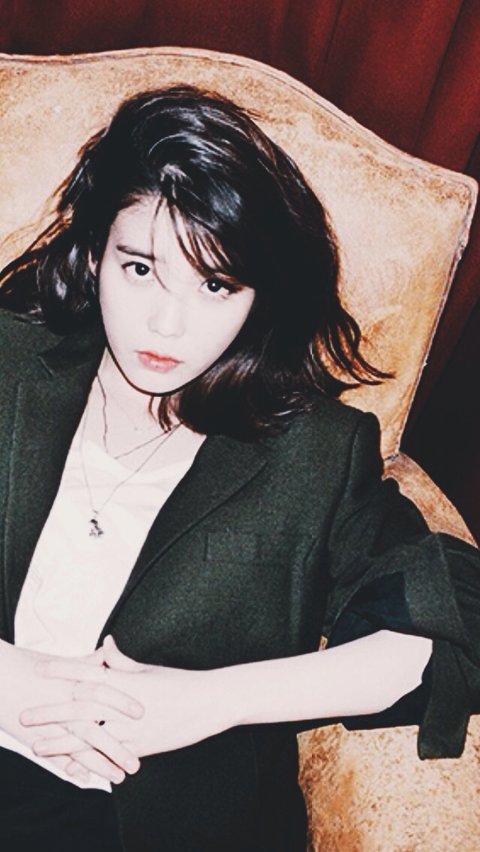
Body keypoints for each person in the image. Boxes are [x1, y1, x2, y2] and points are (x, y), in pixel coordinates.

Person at [0, 85, 478, 852]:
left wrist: (207, 702)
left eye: (215, 284)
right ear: (95, 255)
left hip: (142, 822)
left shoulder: (312, 453)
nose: (166, 324)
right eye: (141, 268)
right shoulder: (9, 364)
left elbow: (445, 621)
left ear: (258, 297)